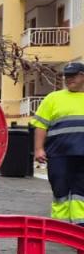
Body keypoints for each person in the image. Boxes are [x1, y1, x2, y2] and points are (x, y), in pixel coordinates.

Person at [32, 62, 84, 226]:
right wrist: (39, 149)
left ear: (83, 76)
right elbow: (41, 125)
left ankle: (79, 225)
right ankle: (59, 225)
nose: (68, 79)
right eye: (66, 76)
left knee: (81, 190)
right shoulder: (53, 98)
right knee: (59, 187)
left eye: (73, 76)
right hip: (58, 154)